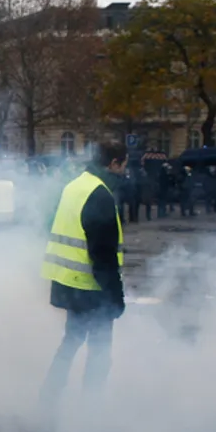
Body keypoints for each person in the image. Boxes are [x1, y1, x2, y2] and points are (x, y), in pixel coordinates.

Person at [39, 140, 127, 412]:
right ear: (113, 163)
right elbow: (103, 254)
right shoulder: (99, 194)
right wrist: (116, 298)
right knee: (100, 351)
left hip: (67, 281)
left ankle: (49, 398)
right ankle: (91, 410)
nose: (124, 170)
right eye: (123, 164)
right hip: (91, 287)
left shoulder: (75, 185)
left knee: (71, 343)